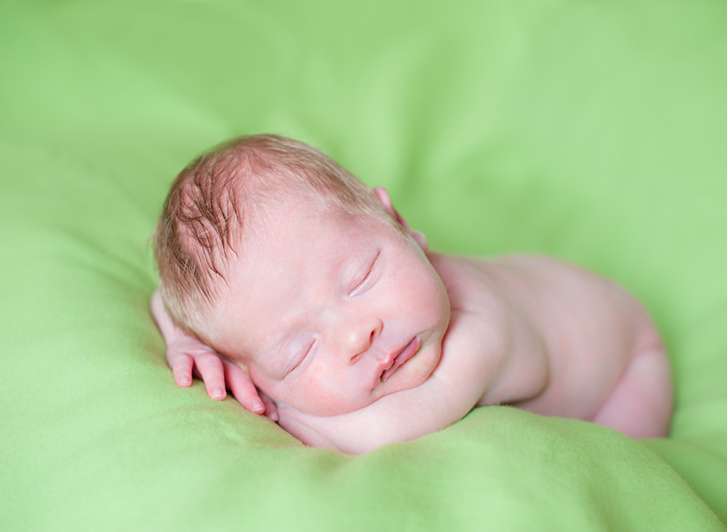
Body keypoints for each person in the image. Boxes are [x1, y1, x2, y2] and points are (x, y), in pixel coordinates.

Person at [151, 134, 673, 455]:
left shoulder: (480, 332)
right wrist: (189, 342)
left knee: (622, 461)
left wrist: (274, 401)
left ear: (396, 221)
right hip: (552, 293)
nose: (356, 335)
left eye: (361, 277)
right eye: (297, 353)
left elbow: (384, 433)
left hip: (628, 360)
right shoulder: (289, 313)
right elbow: (168, 301)